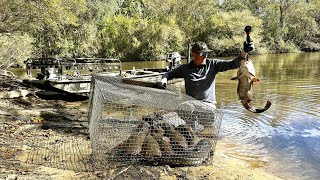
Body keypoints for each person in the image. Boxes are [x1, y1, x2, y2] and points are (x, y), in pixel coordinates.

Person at [158, 41, 254, 109]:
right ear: (194, 55)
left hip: (208, 105)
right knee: (184, 109)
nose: (205, 56)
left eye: (206, 54)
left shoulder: (213, 65)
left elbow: (233, 64)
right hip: (191, 103)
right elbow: (168, 74)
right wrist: (164, 79)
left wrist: (244, 52)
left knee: (208, 127)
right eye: (201, 54)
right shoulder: (185, 69)